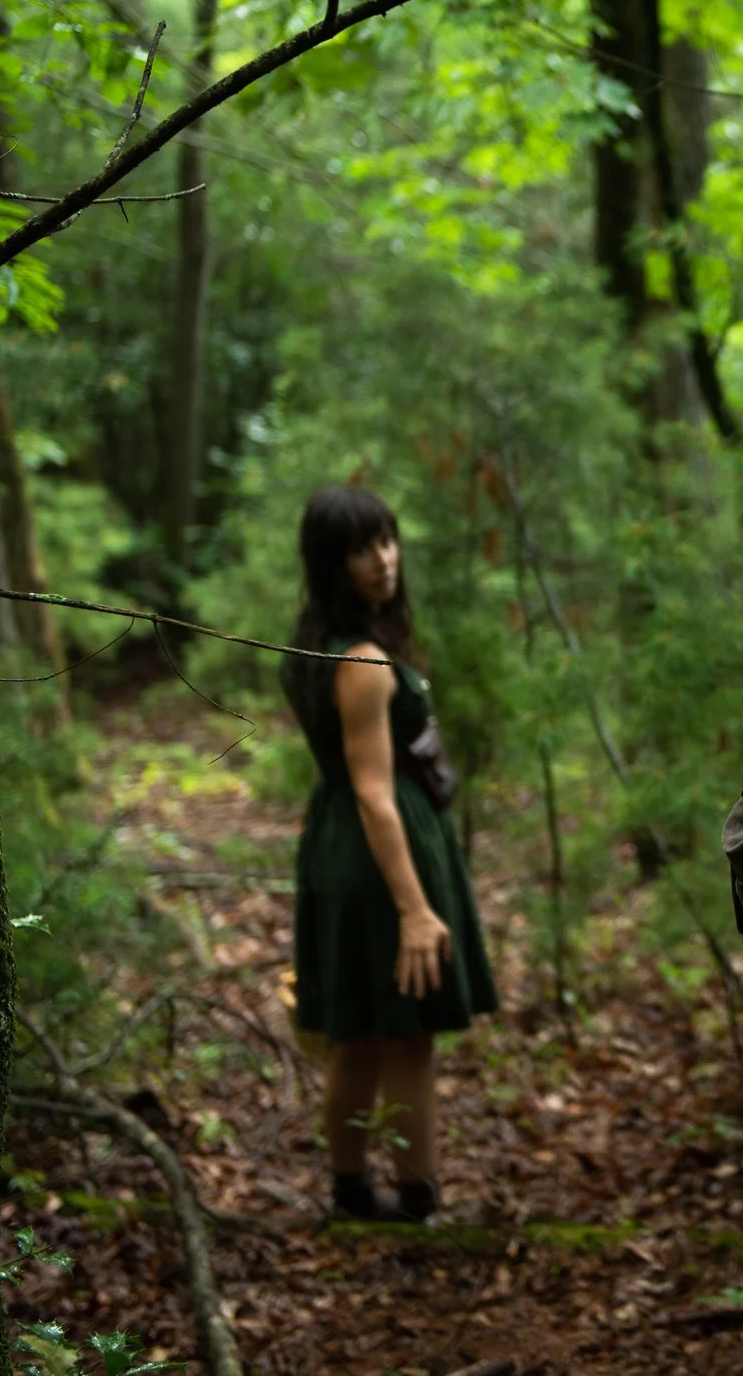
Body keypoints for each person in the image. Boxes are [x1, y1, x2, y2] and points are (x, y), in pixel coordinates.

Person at [283, 484, 495, 1221]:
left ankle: (352, 1192)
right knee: (405, 1037)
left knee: (358, 1032)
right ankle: (416, 1202)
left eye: (387, 540)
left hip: (338, 840)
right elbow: (375, 791)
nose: (383, 559)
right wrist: (414, 908)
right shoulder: (364, 662)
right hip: (382, 850)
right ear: (330, 562)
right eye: (362, 548)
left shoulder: (313, 643)